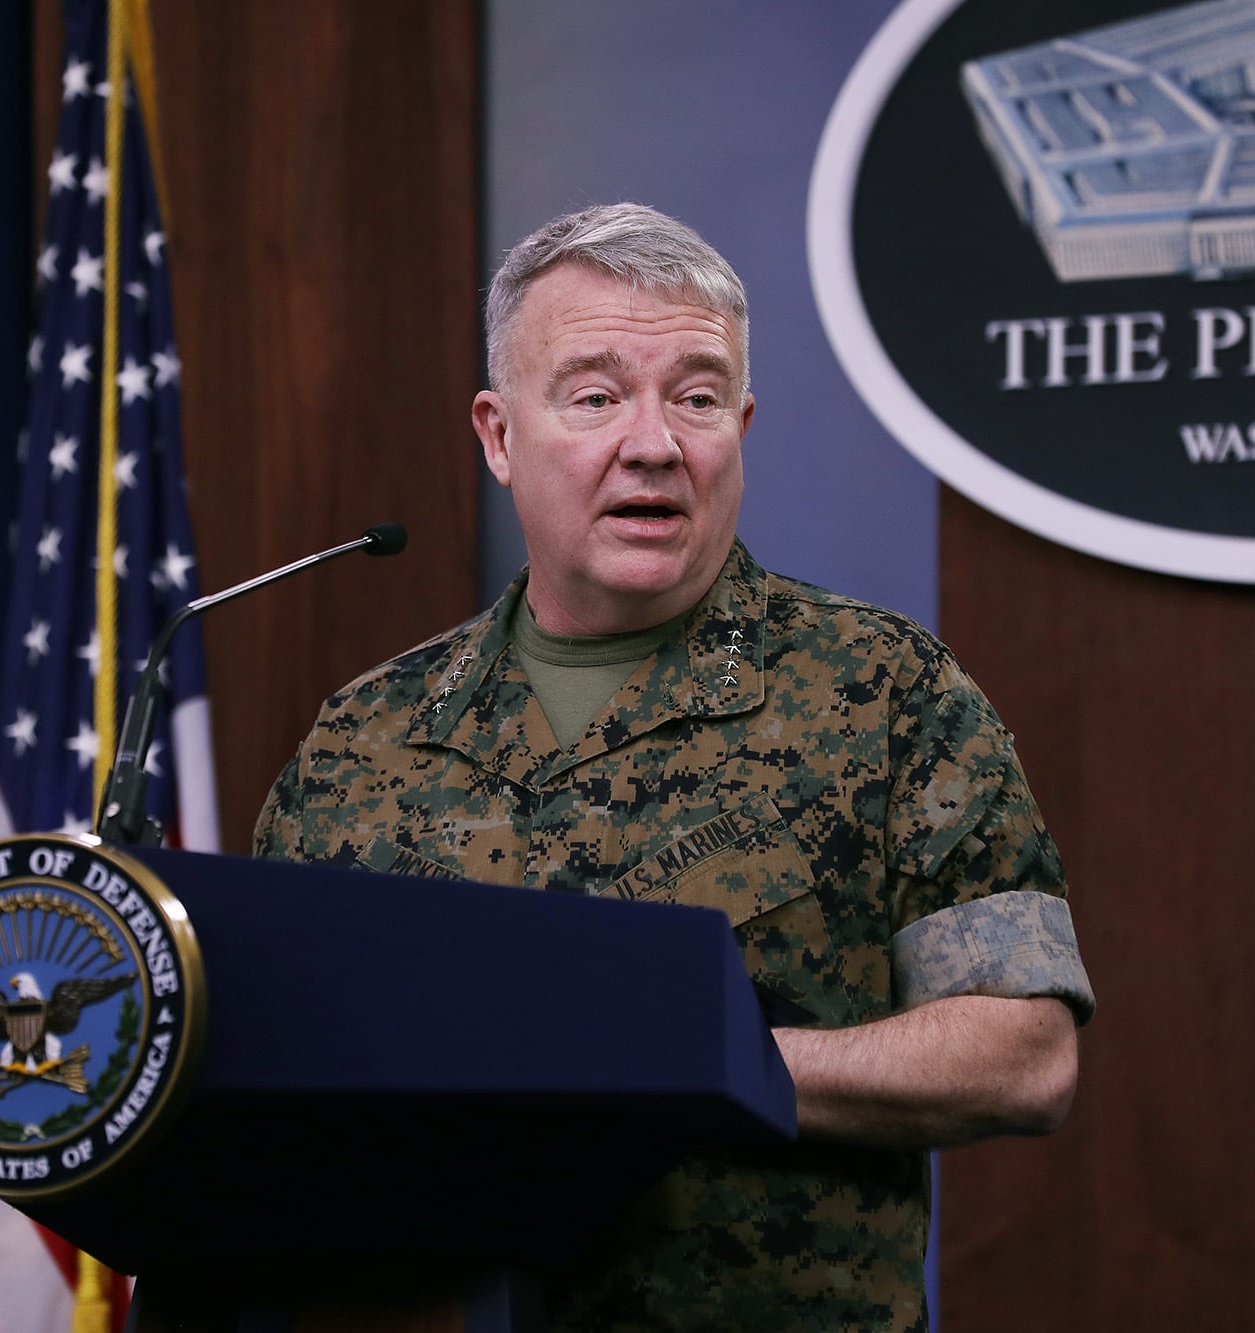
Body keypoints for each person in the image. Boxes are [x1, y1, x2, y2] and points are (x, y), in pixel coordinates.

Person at [254, 203, 1094, 1331]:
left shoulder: (887, 690)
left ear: (739, 425)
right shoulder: (363, 737)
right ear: (499, 436)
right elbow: (277, 1066)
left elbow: (1022, 1053)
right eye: (595, 396)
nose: (652, 442)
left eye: (695, 397)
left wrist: (702, 1057)